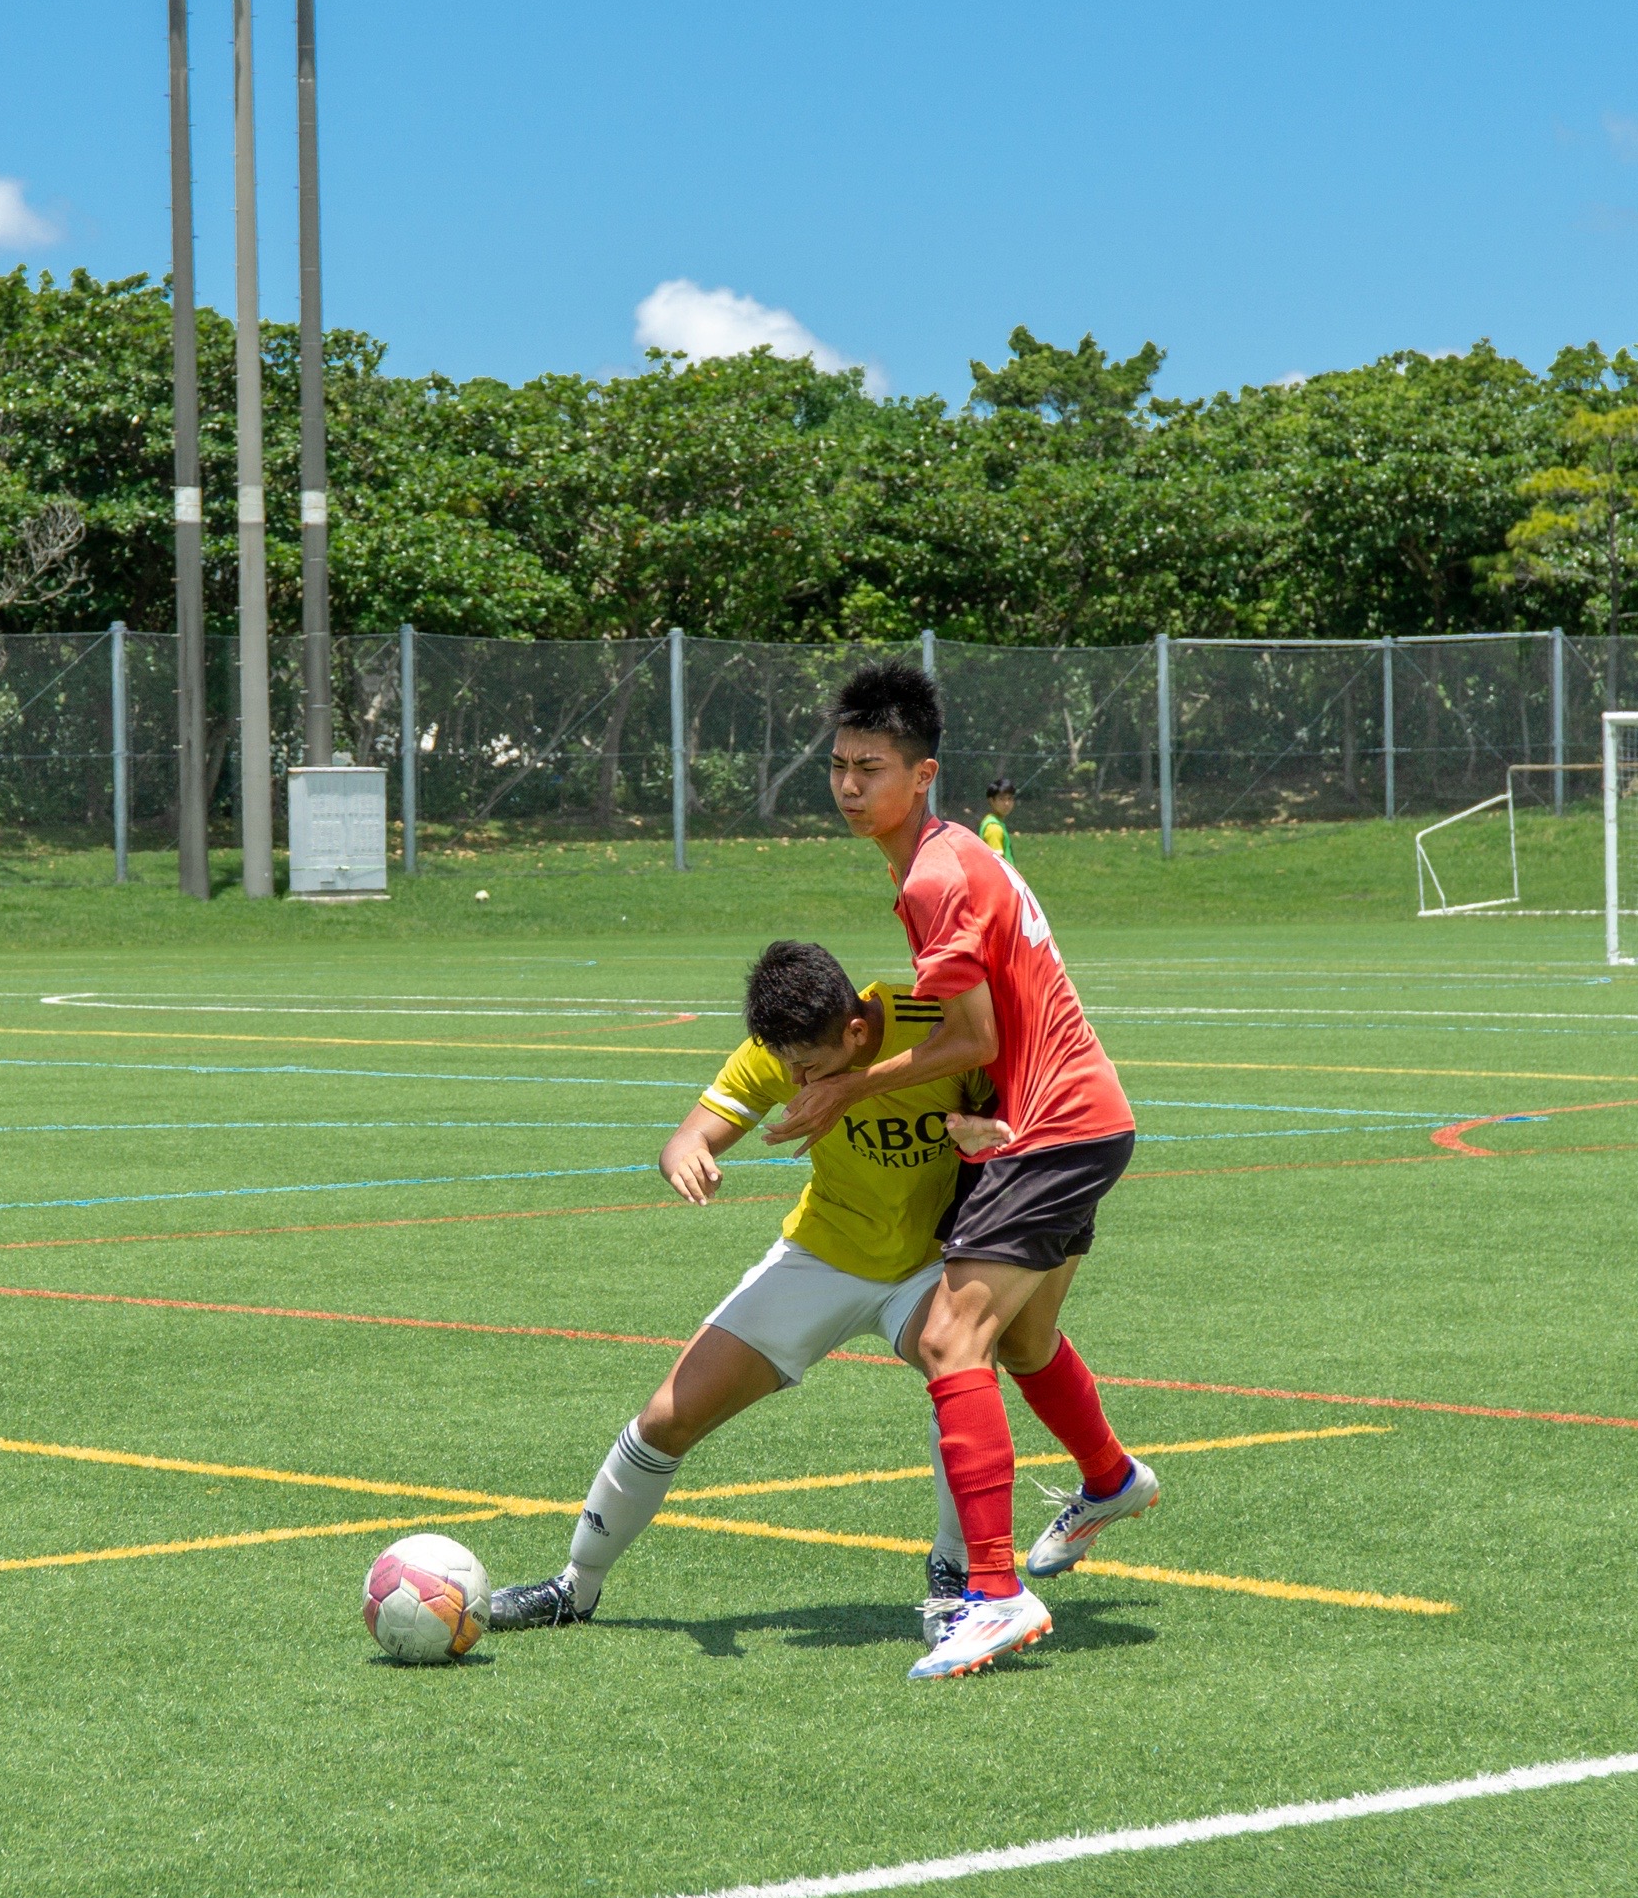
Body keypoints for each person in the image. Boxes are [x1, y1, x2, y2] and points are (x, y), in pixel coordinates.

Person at [765, 661, 1151, 1682]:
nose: (850, 786)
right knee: (1021, 1339)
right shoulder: (945, 859)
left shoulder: (936, 875)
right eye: (838, 766)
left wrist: (850, 1088)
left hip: (1055, 1127)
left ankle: (991, 1592)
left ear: (922, 774)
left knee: (950, 1337)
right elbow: (987, 1035)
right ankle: (1109, 1479)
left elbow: (970, 1033)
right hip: (1064, 1119)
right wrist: (968, 1112)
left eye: (871, 768)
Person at [488, 938, 1013, 1637]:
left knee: (960, 1370)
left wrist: (985, 1133)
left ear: (857, 1032)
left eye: (809, 1068)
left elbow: (1019, 1111)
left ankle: (955, 1572)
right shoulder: (777, 1054)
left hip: (929, 1264)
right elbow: (689, 1137)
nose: (794, 1081)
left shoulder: (936, 1024)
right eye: (785, 1066)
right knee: (667, 1417)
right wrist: (688, 1156)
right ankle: (574, 1588)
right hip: (823, 1256)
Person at [979, 778, 1017, 863]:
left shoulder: (993, 821)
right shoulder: (994, 828)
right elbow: (997, 864)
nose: (1007, 803)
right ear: (991, 801)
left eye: (1010, 798)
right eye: (1001, 799)